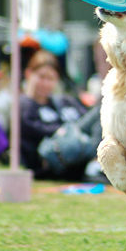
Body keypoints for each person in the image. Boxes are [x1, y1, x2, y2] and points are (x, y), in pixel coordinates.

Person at [20, 50, 104, 182]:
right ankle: (95, 165)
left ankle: (98, 163)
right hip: (52, 159)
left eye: (51, 79)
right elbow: (33, 131)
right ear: (29, 74)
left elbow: (88, 120)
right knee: (103, 108)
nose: (46, 83)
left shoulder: (64, 101)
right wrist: (64, 130)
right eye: (41, 77)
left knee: (104, 112)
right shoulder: (25, 105)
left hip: (78, 149)